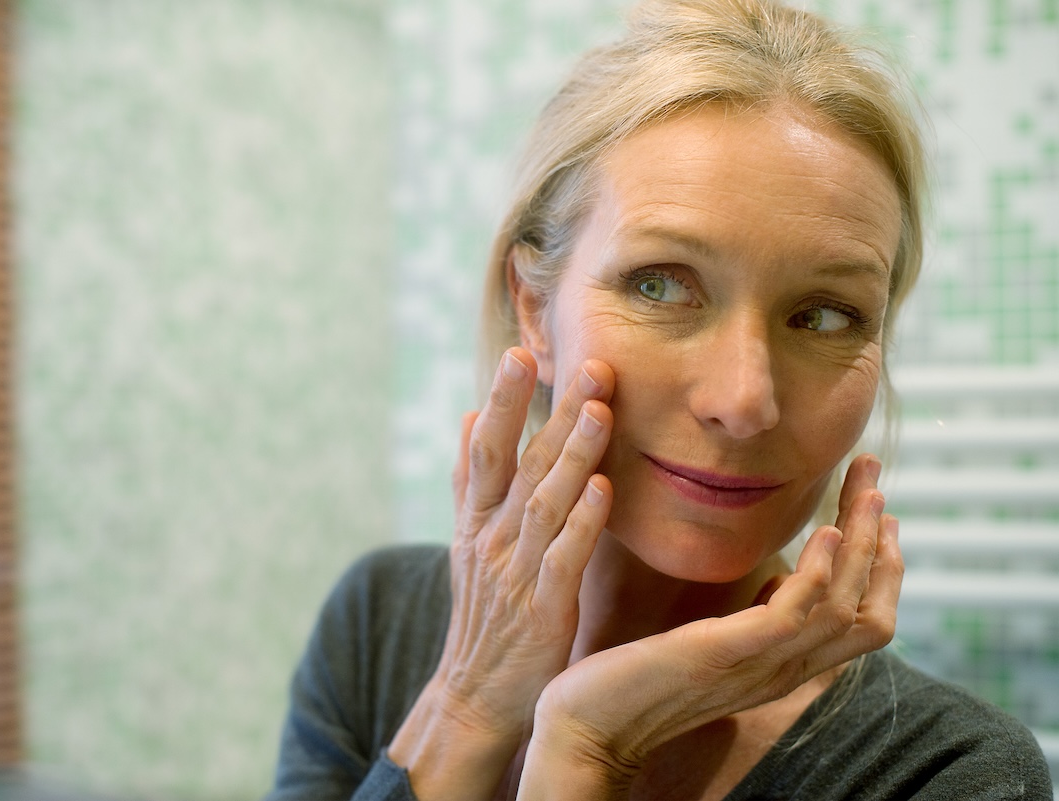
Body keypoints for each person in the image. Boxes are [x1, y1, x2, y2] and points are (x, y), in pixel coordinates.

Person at [267, 0, 1054, 798]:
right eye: (661, 285)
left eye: (823, 316)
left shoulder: (947, 773)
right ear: (535, 307)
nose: (745, 401)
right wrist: (465, 707)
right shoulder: (379, 623)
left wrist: (589, 747)